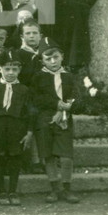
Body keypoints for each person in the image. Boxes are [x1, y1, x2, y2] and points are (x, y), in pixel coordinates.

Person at [30, 44, 82, 203]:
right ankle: (55, 189)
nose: (53, 61)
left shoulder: (69, 76)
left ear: (62, 57)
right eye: (48, 58)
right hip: (45, 119)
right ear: (42, 61)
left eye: (56, 57)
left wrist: (66, 108)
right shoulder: (38, 77)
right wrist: (56, 105)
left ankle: (67, 188)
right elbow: (36, 99)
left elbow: (75, 95)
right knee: (48, 155)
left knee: (66, 156)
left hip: (64, 119)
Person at [0, 49, 34, 205]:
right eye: (7, 69)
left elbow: (30, 112)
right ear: (0, 69)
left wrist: (29, 132)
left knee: (15, 158)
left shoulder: (25, 90)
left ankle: (12, 191)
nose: (11, 73)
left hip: (17, 128)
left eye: (15, 69)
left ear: (20, 70)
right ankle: (1, 192)